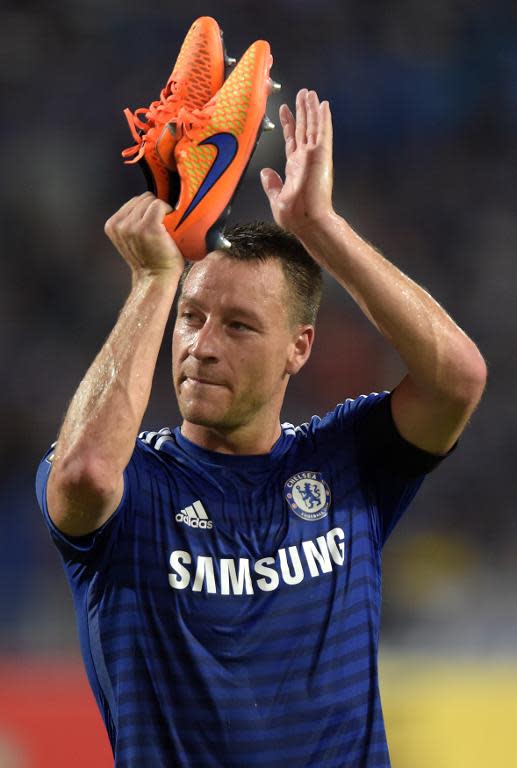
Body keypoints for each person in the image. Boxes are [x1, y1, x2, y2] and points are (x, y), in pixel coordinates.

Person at [36, 89, 486, 767]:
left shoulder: (347, 461)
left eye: (239, 325)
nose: (202, 345)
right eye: (192, 318)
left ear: (298, 348)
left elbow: (457, 379)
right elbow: (82, 477)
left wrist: (319, 227)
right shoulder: (136, 485)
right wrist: (156, 280)